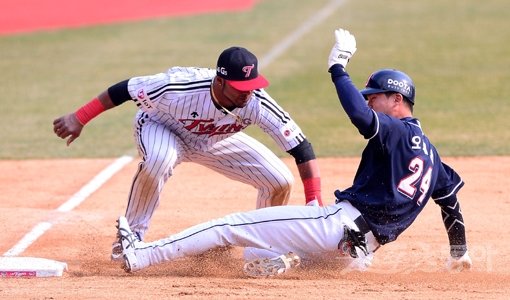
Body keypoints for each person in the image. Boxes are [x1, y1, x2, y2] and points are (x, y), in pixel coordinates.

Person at [113, 28, 472, 277]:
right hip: (355, 254)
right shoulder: (432, 155)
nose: (370, 102)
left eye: (375, 96)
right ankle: (284, 261)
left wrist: (338, 68)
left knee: (229, 227)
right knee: (256, 249)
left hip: (335, 228)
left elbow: (359, 116)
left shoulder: (393, 129)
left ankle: (140, 254)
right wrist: (460, 253)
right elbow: (450, 203)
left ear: (398, 100)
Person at [53, 46, 322, 261]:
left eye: (251, 85)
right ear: (220, 81)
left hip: (214, 140)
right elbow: (124, 89)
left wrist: (314, 202)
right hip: (161, 127)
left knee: (280, 180)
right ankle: (130, 241)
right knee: (159, 159)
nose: (247, 93)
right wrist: (79, 117)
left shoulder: (257, 102)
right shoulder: (176, 86)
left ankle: (266, 242)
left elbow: (301, 148)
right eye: (240, 87)